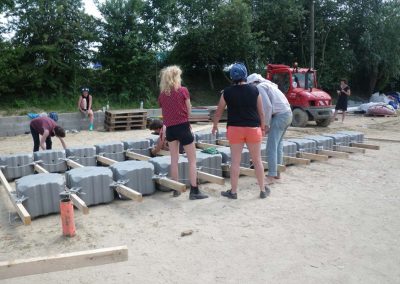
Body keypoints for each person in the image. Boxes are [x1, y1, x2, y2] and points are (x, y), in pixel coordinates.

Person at [212, 63, 269, 199]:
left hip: (235, 129)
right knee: (257, 161)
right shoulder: (255, 90)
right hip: (253, 129)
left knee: (235, 162)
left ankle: (233, 192)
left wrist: (215, 125)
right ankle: (262, 190)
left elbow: (219, 112)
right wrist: (262, 127)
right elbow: (261, 113)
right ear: (245, 75)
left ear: (232, 76)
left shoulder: (226, 92)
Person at [158, 65, 208, 200]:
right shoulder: (183, 91)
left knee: (174, 160)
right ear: (176, 77)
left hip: (170, 129)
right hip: (183, 127)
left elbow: (164, 110)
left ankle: (176, 189)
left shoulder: (162, 95)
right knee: (192, 160)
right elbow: (189, 110)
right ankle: (194, 190)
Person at [247, 73, 293, 185]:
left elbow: (267, 107)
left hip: (280, 116)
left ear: (253, 82)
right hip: (287, 114)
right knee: (278, 145)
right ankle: (277, 173)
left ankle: (271, 176)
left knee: (271, 147)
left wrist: (265, 125)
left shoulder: (260, 87)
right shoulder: (268, 85)